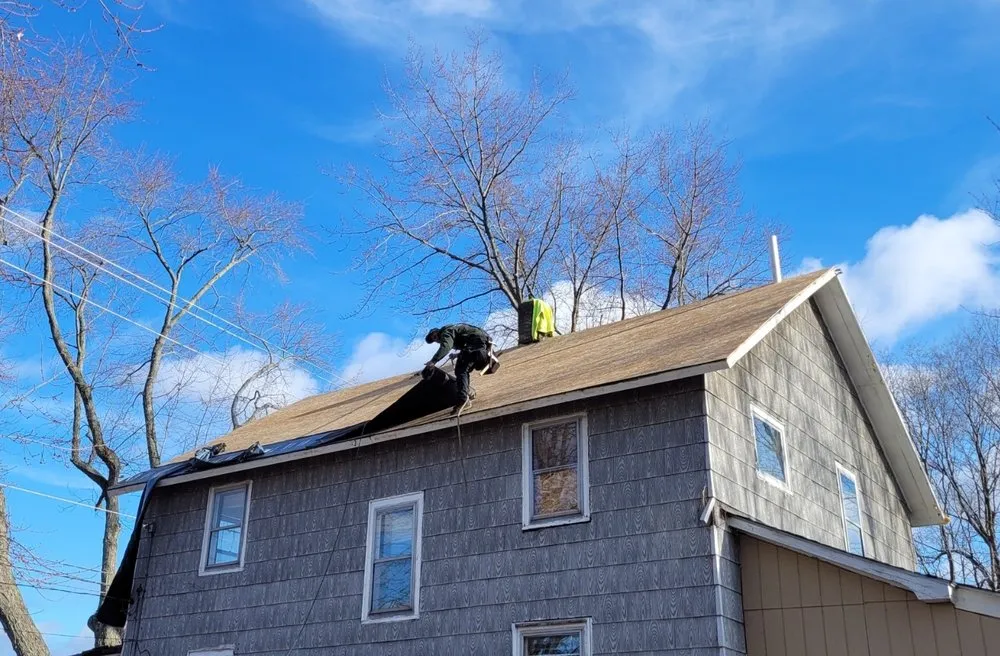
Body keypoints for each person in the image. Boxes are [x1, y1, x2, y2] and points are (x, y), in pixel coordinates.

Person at [423, 323, 499, 414]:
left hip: (477, 343)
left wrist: (433, 361)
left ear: (437, 331)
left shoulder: (446, 332)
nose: (435, 339)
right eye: (433, 340)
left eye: (434, 336)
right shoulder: (455, 331)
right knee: (463, 364)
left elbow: (446, 346)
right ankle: (466, 393)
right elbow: (468, 348)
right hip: (481, 344)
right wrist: (457, 355)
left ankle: (463, 399)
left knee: (461, 369)